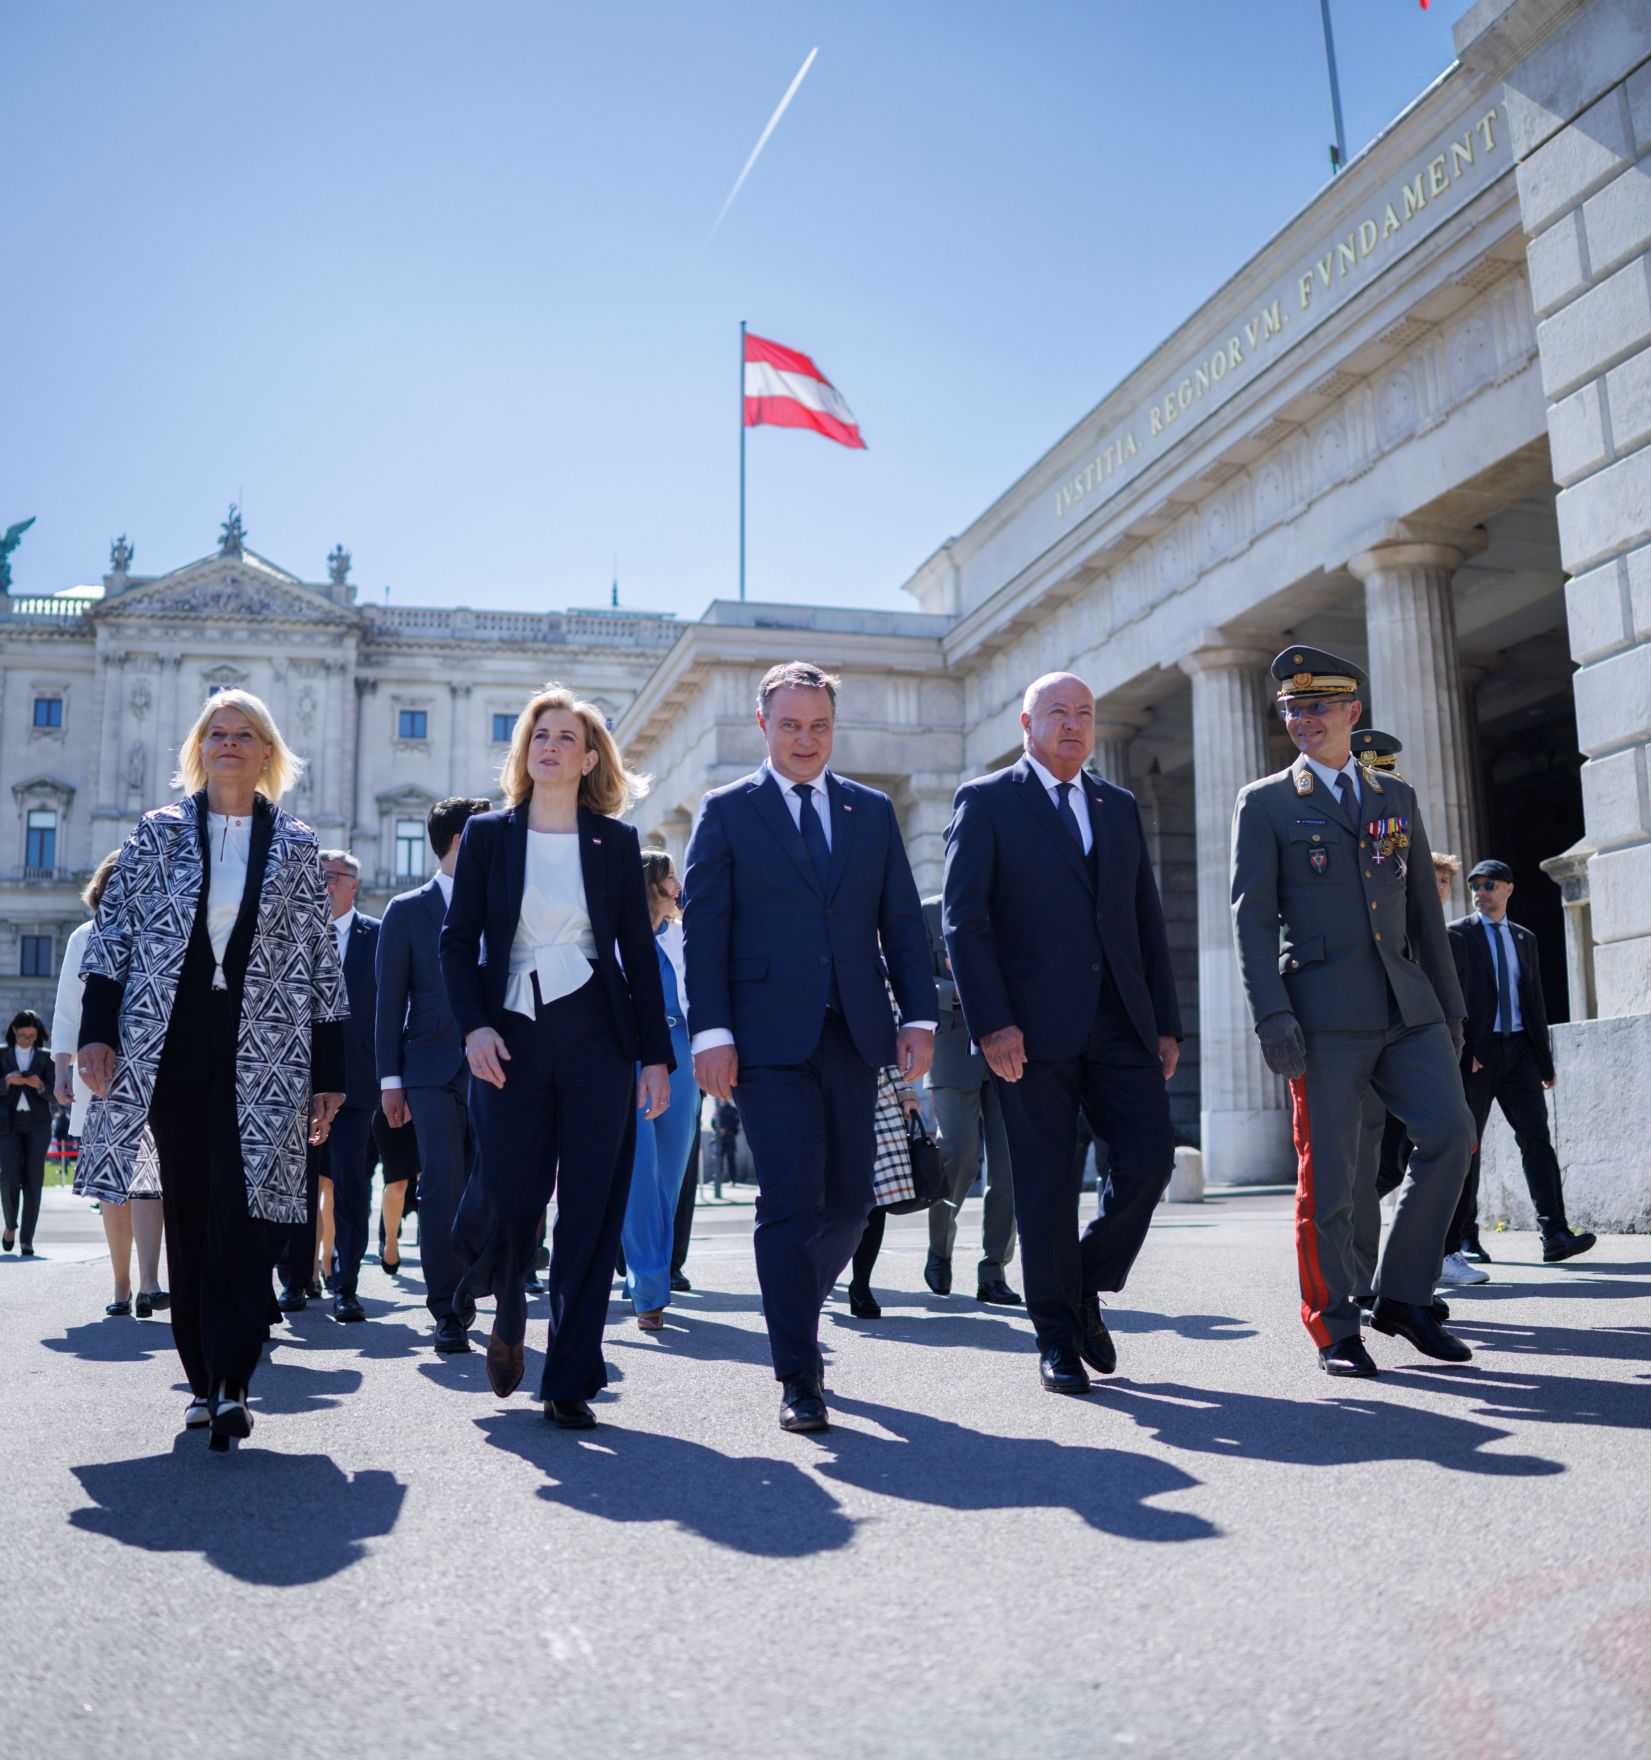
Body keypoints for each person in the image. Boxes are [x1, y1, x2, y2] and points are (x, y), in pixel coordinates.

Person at [75, 689, 346, 1450]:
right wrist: (98, 1033)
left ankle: (235, 1377)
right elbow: (114, 936)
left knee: (249, 1204)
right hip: (172, 1039)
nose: (230, 744)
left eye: (245, 734)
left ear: (267, 753)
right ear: (200, 749)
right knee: (193, 1208)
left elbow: (321, 964)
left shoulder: (295, 845)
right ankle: (203, 1382)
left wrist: (330, 1070)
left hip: (267, 1049)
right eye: (217, 733)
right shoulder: (156, 834)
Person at [683, 660, 936, 1434]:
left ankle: (794, 1303)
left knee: (853, 1202)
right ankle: (798, 1369)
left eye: (818, 725)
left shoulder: (870, 810)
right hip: (763, 1038)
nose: (805, 739)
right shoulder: (727, 811)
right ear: (763, 725)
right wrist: (711, 1034)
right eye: (790, 725)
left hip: (855, 1030)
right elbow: (705, 931)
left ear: (833, 727)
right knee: (790, 1199)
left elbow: (898, 921)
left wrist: (919, 1016)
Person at [1230, 647, 1475, 1379]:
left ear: (1351, 714)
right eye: (1290, 710)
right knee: (1330, 1181)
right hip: (1321, 1018)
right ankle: (1335, 1326)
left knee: (1450, 1137)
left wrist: (1450, 1013)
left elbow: (1424, 917)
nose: (1302, 720)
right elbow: (1250, 919)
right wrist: (1270, 1017)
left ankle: (1402, 1297)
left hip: (1407, 1007)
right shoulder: (1266, 801)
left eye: (1316, 707)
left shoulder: (1392, 799)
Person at [943, 673, 1181, 1396]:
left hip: (1120, 1024)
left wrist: (1164, 1022)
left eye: (1083, 714)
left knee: (1149, 1160)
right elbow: (963, 922)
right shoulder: (985, 802)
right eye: (1057, 713)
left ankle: (1083, 1280)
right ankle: (1054, 1336)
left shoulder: (1115, 805)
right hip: (1028, 1032)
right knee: (1044, 1185)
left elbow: (1145, 919)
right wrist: (991, 1024)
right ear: (1025, 721)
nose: (1072, 725)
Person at [441, 684, 671, 1429]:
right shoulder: (487, 837)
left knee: (590, 1208)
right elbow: (456, 942)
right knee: (510, 1196)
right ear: (524, 752)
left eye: (567, 736)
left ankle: (570, 1374)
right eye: (540, 734)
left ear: (590, 757)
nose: (551, 745)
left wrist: (654, 1056)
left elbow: (638, 954)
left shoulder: (614, 842)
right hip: (508, 1033)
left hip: (597, 1037)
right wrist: (473, 1027)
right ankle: (507, 1305)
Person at [376, 794, 491, 1352]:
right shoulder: (406, 910)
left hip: (496, 1066)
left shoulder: (504, 904)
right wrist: (389, 1081)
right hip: (427, 1068)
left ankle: (483, 1280)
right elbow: (387, 1002)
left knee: (489, 1183)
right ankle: (448, 1306)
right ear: (460, 843)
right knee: (442, 1180)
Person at [1442, 858, 1595, 1273]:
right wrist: (1464, 1047)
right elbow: (1450, 999)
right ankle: (1464, 1240)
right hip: (1477, 1053)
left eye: (1489, 884)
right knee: (1467, 1149)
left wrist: (1545, 1062)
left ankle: (1555, 1234)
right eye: (1475, 885)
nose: (1480, 891)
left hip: (1521, 1053)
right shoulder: (1456, 935)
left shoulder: (1524, 937)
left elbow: (1535, 1002)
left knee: (1537, 1141)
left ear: (1509, 888)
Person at [52, 851, 168, 1314]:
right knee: (113, 1186)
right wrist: (61, 1068)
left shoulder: (161, 936)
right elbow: (67, 1010)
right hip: (101, 1079)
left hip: (152, 1074)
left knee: (150, 1182)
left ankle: (149, 1281)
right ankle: (122, 1285)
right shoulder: (85, 936)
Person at [276, 850, 379, 1321]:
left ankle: (347, 1283)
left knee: (351, 1188)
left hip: (356, 1085)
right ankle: (296, 1280)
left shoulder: (377, 938)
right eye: (315, 877)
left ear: (353, 885)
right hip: (295, 1081)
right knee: (295, 1186)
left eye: (332, 878)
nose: (322, 884)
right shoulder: (287, 932)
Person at [918, 895, 1019, 1307]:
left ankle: (994, 1268)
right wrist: (955, 992)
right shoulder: (927, 913)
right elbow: (908, 974)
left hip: (1010, 1051)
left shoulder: (1015, 907)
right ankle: (940, 1250)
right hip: (952, 1050)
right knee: (958, 1155)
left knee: (1010, 1166)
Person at [619, 850, 699, 1330]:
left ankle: (653, 1273)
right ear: (651, 883)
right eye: (671, 876)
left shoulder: (684, 937)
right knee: (639, 1169)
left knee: (670, 1173)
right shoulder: (616, 937)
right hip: (631, 1055)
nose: (678, 884)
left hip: (683, 1052)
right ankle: (649, 1288)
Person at [846, 1064, 927, 1319]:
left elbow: (891, 1044)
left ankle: (861, 1286)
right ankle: (820, 1280)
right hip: (824, 1095)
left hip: (879, 1100)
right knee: (832, 1203)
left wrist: (906, 1094)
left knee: (876, 1202)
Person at [2, 1010, 54, 1258]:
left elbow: (55, 1094)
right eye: (23, 1035)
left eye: (31, 1036)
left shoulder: (45, 1057)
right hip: (7, 1125)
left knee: (34, 1181)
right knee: (10, 1177)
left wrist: (40, 1086)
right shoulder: (2, 1054)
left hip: (38, 1125)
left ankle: (27, 1240)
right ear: (14, 1032)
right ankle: (10, 1226)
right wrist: (7, 1082)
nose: (26, 1040)